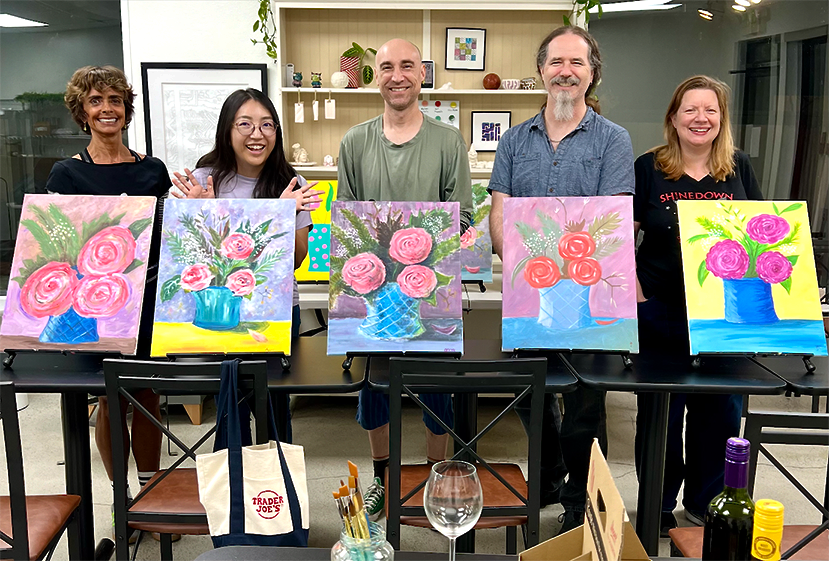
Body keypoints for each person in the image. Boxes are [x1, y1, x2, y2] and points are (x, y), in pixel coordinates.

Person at [489, 26, 634, 534]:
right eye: (556, 62)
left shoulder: (614, 140)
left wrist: (569, 272)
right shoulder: (512, 140)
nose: (565, 71)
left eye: (577, 62)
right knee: (528, 394)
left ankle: (579, 493)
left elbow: (614, 222)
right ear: (541, 71)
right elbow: (499, 216)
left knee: (585, 401)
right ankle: (549, 475)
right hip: (529, 292)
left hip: (589, 295)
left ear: (592, 72)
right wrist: (526, 270)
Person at [337, 38, 474, 521]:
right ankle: (382, 479)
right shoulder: (355, 141)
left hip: (430, 288)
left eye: (407, 67)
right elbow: (347, 223)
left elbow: (464, 217)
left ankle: (435, 479)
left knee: (436, 389)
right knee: (374, 389)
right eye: (387, 67)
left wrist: (431, 249)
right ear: (375, 76)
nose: (397, 75)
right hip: (373, 292)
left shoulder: (447, 141)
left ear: (423, 75)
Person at [45, 65, 170, 542]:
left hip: (144, 304)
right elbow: (60, 246)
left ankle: (151, 492)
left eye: (115, 100)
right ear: (82, 110)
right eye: (96, 101)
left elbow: (161, 238)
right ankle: (123, 500)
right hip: (91, 305)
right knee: (109, 401)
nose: (106, 109)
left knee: (148, 396)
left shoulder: (152, 170)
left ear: (126, 109)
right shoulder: (67, 173)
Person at [633, 75, 762, 534]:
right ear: (673, 117)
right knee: (659, 413)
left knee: (721, 412)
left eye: (711, 110)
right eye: (690, 109)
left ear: (721, 119)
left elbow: (761, 236)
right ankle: (657, 505)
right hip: (660, 310)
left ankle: (706, 505)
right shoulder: (648, 167)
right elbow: (620, 236)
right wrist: (638, 295)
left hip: (724, 315)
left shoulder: (738, 168)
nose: (700, 118)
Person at [171, 88, 323, 443]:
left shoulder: (290, 182)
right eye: (246, 124)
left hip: (279, 311)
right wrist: (199, 214)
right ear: (227, 130)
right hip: (221, 312)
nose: (257, 134)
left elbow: (297, 260)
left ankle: (277, 493)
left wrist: (283, 214)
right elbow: (191, 260)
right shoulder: (205, 178)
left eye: (267, 124)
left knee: (275, 413)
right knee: (230, 411)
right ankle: (234, 495)